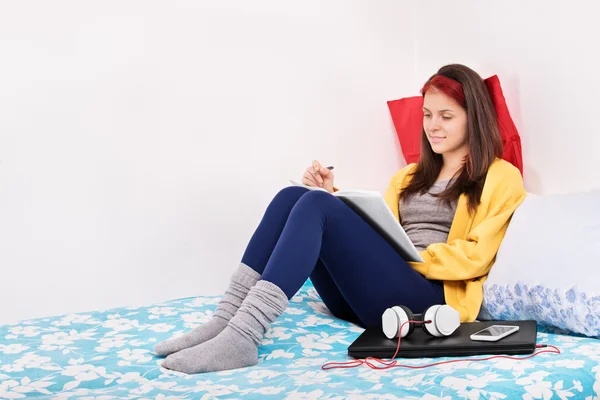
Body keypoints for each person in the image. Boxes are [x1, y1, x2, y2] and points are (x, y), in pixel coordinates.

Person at [155, 64, 527, 374]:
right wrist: (336, 200)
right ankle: (226, 321)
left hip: (427, 302)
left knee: (317, 207)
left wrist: (412, 259)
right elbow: (381, 232)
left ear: (473, 119)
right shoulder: (408, 177)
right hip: (371, 298)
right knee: (296, 197)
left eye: (446, 116)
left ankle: (244, 336)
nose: (433, 126)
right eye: (428, 114)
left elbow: (478, 255)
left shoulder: (500, 176)